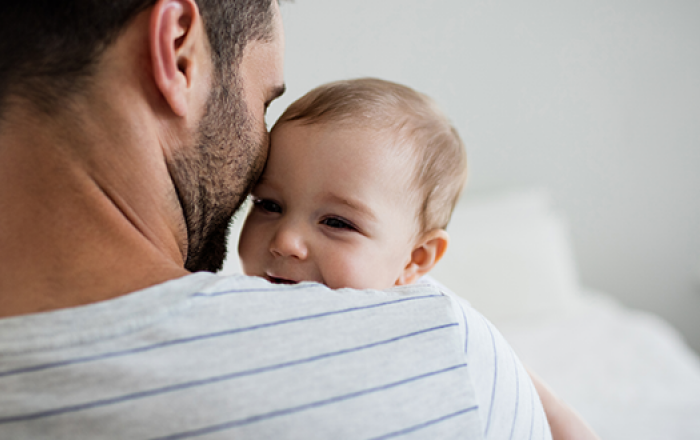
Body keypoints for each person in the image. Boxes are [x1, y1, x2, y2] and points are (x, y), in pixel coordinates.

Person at [0, 1, 551, 439]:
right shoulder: (443, 351)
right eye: (263, 101)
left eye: (339, 222)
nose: (287, 239)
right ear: (178, 51)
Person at [239, 78, 599, 440]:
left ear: (415, 258)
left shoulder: (432, 321)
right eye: (269, 204)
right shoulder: (229, 306)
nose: (285, 241)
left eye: (336, 222)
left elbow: (537, 401)